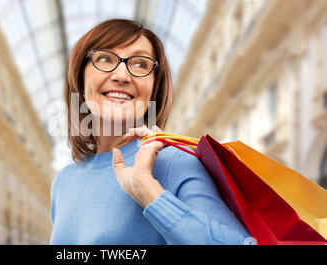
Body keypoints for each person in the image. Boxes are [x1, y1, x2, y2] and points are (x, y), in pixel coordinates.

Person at [49, 19, 250, 244]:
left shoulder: (174, 163)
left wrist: (148, 190)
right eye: (105, 59)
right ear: (80, 77)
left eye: (140, 64)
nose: (122, 75)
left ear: (154, 88)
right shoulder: (63, 182)